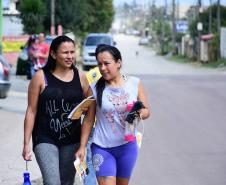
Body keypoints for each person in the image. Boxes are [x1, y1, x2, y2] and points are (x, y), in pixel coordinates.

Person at [76, 44, 150, 185]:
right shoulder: (94, 88)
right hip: (101, 147)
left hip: (127, 146)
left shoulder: (135, 83)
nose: (102, 68)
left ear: (118, 63)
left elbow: (147, 110)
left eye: (106, 63)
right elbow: (88, 120)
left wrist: (140, 113)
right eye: (99, 64)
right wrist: (82, 147)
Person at [22, 35, 91, 185]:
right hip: (45, 138)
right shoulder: (40, 77)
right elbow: (31, 110)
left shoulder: (81, 77)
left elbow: (90, 110)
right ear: (53, 54)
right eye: (65, 52)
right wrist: (26, 142)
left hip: (72, 140)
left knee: (66, 182)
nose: (70, 56)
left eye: (72, 52)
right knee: (53, 182)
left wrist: (83, 145)